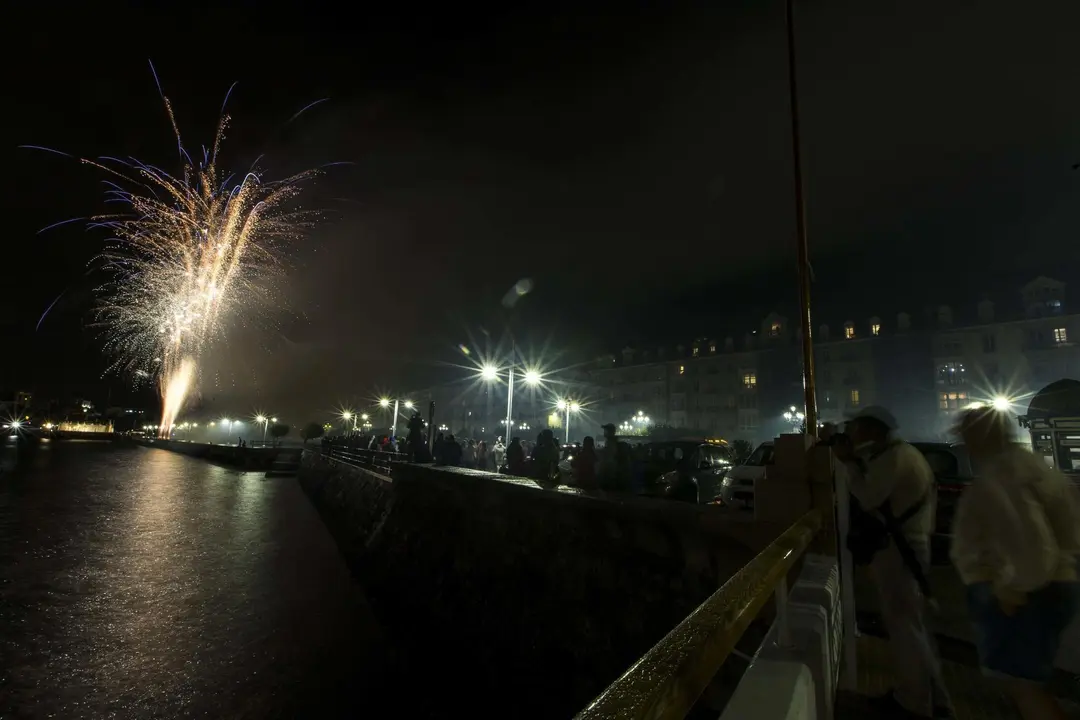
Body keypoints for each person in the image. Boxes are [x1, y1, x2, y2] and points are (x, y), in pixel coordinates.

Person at [951, 406, 1080, 720]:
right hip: (1053, 585)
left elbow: (1032, 545)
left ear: (980, 437)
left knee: (1025, 688)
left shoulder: (1001, 476)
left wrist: (1012, 592)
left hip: (1026, 595)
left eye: (966, 435)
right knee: (1026, 683)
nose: (963, 443)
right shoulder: (1034, 466)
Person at [834, 406, 952, 719]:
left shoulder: (895, 458)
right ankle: (932, 698)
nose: (851, 432)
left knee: (904, 627)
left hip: (901, 551)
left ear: (873, 430)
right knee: (912, 626)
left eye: (855, 426)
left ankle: (913, 702)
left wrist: (848, 464)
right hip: (906, 548)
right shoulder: (900, 454)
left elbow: (869, 496)